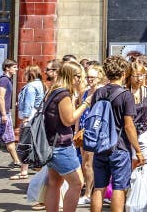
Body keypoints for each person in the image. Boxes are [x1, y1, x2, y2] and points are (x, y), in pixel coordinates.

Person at [89, 56, 145, 212]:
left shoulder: (98, 93)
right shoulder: (126, 95)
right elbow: (129, 125)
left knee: (99, 187)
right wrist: (138, 150)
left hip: (100, 145)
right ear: (124, 73)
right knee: (119, 187)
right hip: (119, 147)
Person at [43, 62, 91, 212]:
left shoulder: (53, 90)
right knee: (77, 183)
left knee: (54, 183)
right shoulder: (64, 94)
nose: (81, 81)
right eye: (80, 77)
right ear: (73, 77)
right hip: (61, 145)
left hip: (50, 143)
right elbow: (69, 120)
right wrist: (85, 104)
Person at [12, 65, 45, 181]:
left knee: (24, 143)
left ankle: (24, 171)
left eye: (25, 73)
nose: (23, 75)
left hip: (30, 117)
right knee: (32, 143)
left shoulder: (31, 86)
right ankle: (32, 169)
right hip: (36, 117)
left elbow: (28, 103)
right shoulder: (40, 84)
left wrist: (25, 118)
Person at [78, 64, 105, 206]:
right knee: (84, 163)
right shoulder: (85, 92)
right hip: (83, 131)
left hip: (94, 132)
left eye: (92, 77)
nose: (89, 80)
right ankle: (89, 190)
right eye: (88, 77)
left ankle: (88, 193)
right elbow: (80, 112)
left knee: (89, 164)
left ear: (99, 77)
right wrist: (77, 130)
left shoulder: (102, 92)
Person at [0, 59, 21, 168]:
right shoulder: (4, 80)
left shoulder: (8, 80)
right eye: (14, 67)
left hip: (5, 114)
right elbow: (0, 97)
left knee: (10, 138)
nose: (16, 69)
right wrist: (3, 114)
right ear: (7, 68)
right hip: (1, 115)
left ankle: (17, 161)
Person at [126, 61, 147, 163]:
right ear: (129, 76)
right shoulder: (125, 92)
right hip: (127, 133)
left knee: (143, 163)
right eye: (136, 76)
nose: (140, 79)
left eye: (142, 75)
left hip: (143, 133)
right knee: (130, 163)